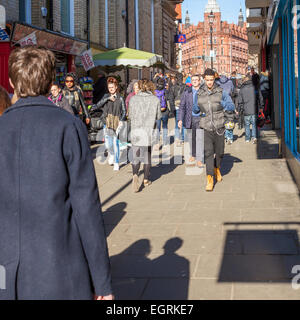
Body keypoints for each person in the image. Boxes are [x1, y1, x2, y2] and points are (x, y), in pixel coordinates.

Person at [0, 46, 113, 300]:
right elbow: (87, 208)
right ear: (51, 81)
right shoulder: (68, 126)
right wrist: (102, 282)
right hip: (59, 269)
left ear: (11, 81)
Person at [195, 68, 235, 192]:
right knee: (208, 153)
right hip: (205, 126)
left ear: (214, 78)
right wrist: (197, 108)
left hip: (219, 126)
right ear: (204, 80)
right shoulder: (199, 92)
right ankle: (209, 179)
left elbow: (231, 105)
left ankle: (217, 168)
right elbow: (195, 109)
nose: (209, 82)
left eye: (211, 80)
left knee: (220, 153)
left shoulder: (221, 91)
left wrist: (224, 106)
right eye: (207, 80)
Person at [128, 79, 162, 192]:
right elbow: (158, 116)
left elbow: (130, 116)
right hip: (148, 131)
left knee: (136, 156)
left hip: (136, 131)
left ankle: (135, 175)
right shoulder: (155, 99)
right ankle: (146, 179)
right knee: (147, 156)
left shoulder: (133, 99)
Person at [90, 77, 126, 171]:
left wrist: (121, 120)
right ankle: (112, 154)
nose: (111, 89)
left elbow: (124, 111)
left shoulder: (120, 98)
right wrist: (107, 99)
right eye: (109, 87)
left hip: (117, 123)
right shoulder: (106, 96)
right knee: (108, 144)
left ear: (116, 87)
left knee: (115, 142)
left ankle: (117, 162)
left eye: (112, 87)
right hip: (107, 122)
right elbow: (98, 105)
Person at [178, 74, 204, 168]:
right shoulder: (187, 92)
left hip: (201, 118)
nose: (195, 81)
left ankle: (199, 159)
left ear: (200, 81)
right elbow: (182, 106)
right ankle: (193, 154)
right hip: (190, 118)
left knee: (200, 138)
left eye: (196, 80)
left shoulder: (203, 91)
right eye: (193, 80)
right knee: (191, 138)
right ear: (191, 81)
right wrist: (180, 119)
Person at [238, 73, 264, 144]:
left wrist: (240, 109)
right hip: (254, 109)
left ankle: (247, 138)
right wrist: (261, 107)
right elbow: (260, 98)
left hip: (246, 110)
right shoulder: (256, 88)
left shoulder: (242, 89)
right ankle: (254, 137)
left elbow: (239, 101)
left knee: (247, 125)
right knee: (254, 124)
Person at [216, 73, 235, 144]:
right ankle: (229, 137)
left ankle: (224, 135)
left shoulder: (217, 82)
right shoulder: (230, 82)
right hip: (229, 102)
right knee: (229, 120)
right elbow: (233, 90)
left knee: (222, 120)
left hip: (220, 103)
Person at [169, 73, 186, 146]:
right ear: (182, 78)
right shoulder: (186, 87)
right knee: (183, 123)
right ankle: (182, 138)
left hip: (176, 106)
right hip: (184, 106)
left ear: (176, 79)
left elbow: (171, 98)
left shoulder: (173, 87)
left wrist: (172, 108)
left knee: (177, 123)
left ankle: (176, 138)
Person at [155, 77, 169, 147]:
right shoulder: (166, 91)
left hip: (157, 112)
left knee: (157, 127)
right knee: (165, 127)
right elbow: (169, 101)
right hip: (165, 111)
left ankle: (157, 143)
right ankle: (165, 142)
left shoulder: (154, 92)